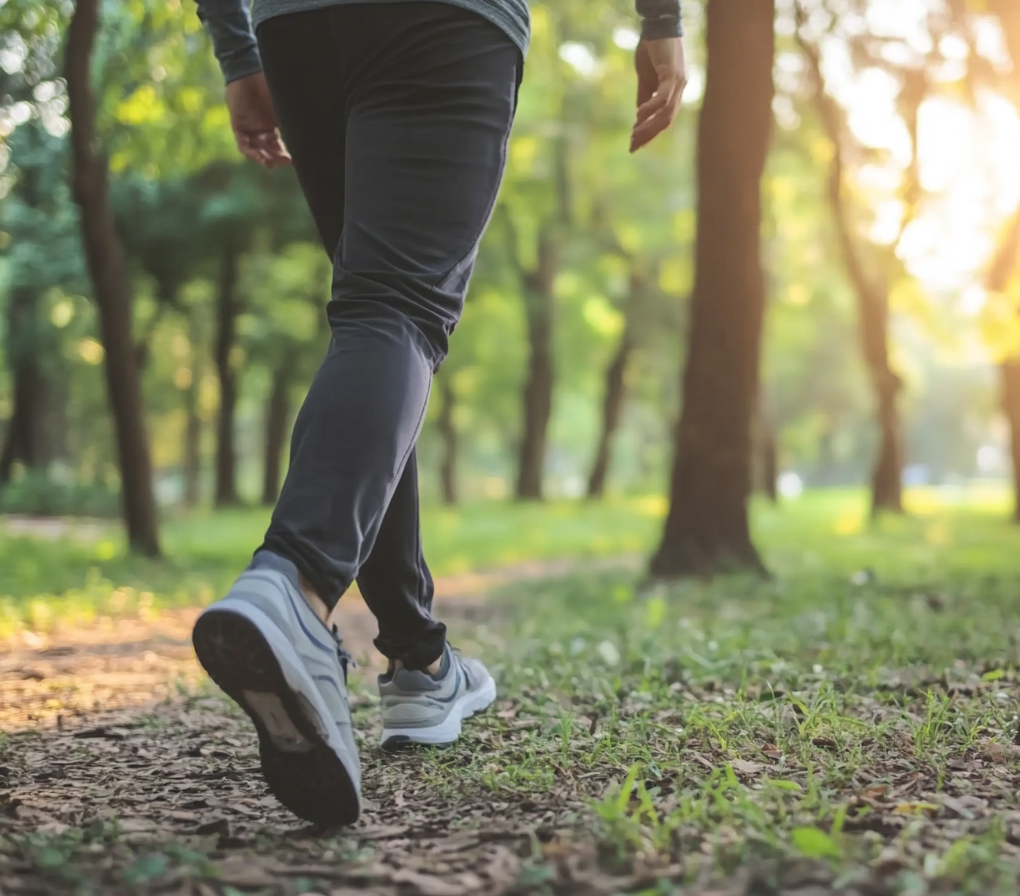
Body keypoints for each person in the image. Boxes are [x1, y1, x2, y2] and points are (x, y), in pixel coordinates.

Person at [188, 0, 686, 827]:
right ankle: (294, 587)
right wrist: (663, 19)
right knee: (397, 310)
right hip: (443, 20)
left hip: (296, 24)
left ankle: (418, 662)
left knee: (376, 321)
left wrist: (236, 47)